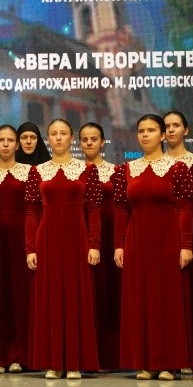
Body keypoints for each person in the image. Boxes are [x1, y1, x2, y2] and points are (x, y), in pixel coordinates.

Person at [114, 114, 193, 381]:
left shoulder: (177, 168)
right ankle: (144, 362)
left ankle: (168, 363)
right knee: (139, 299)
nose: (145, 135)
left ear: (162, 135)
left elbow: (185, 209)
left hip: (167, 239)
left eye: (151, 130)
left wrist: (185, 245)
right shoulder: (127, 169)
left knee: (166, 299)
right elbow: (122, 210)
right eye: (141, 130)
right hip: (136, 240)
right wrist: (119, 245)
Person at [25, 119, 101, 380]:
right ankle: (54, 362)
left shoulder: (86, 170)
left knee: (76, 297)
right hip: (47, 240)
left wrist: (94, 244)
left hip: (77, 240)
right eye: (53, 134)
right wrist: (30, 248)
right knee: (50, 298)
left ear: (71, 138)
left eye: (63, 134)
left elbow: (93, 211)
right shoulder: (38, 172)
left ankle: (75, 362)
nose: (58, 138)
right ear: (48, 139)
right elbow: (32, 213)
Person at [163, 110, 193, 376]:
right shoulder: (154, 164)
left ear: (186, 130)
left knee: (190, 298)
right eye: (167, 126)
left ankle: (188, 356)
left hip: (188, 239)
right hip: (161, 238)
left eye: (176, 125)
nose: (171, 130)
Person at [0, 125, 33, 373]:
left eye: (10, 140)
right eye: (1, 140)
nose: (5, 144)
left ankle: (20, 355)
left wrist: (32, 244)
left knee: (21, 296)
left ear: (17, 145)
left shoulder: (30, 173)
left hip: (21, 241)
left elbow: (35, 211)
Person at [79, 122, 121, 372]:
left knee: (109, 293)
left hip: (109, 236)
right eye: (84, 139)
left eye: (94, 139)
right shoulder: (75, 171)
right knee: (88, 294)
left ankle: (111, 356)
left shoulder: (116, 171)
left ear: (103, 141)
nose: (89, 143)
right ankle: (88, 353)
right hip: (82, 236)